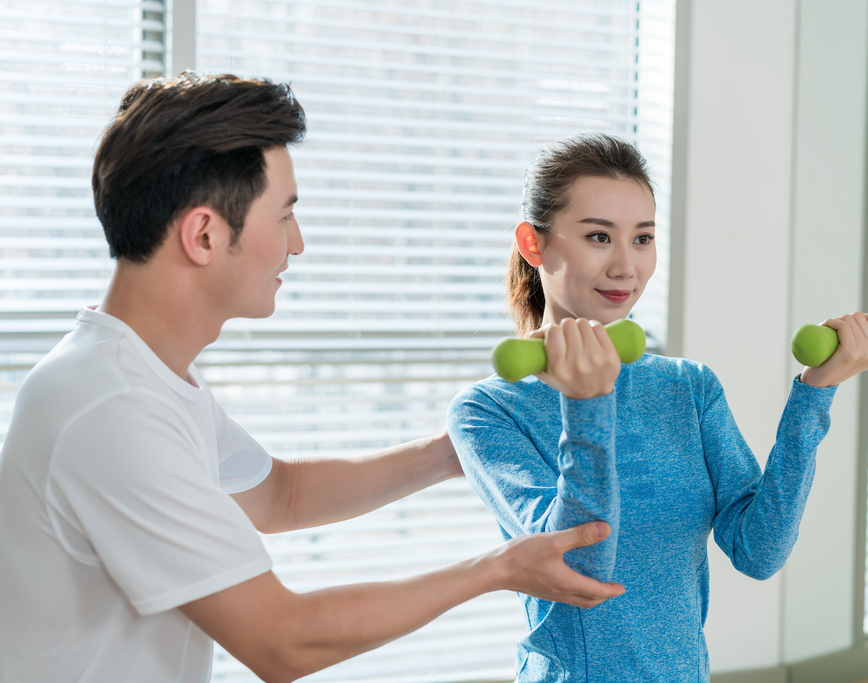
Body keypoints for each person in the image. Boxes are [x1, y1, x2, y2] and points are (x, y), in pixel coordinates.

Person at [0, 73, 625, 683]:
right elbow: (282, 641)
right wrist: (498, 569)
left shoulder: (144, 376)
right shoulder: (110, 407)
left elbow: (278, 496)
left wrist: (450, 452)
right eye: (285, 216)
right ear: (204, 234)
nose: (297, 245)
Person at [446, 132, 868, 682]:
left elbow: (759, 551)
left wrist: (815, 394)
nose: (626, 267)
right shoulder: (489, 412)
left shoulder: (688, 387)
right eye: (599, 236)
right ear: (534, 245)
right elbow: (578, 569)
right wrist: (589, 405)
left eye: (643, 238)